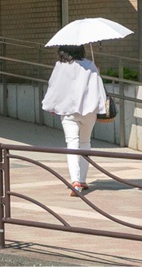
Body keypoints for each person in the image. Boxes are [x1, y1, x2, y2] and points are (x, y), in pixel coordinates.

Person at [42, 44, 108, 196]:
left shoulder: (60, 66)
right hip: (88, 110)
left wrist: (53, 106)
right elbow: (98, 87)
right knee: (85, 142)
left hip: (68, 110)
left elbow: (54, 87)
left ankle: (75, 181)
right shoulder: (90, 65)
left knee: (71, 143)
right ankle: (83, 180)